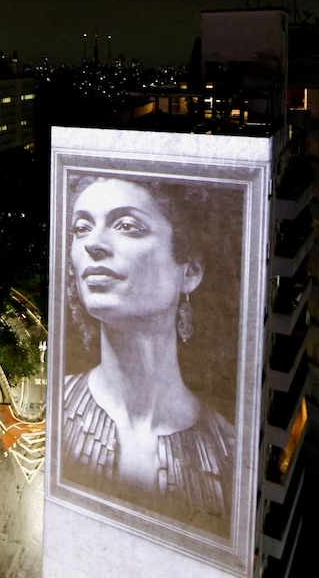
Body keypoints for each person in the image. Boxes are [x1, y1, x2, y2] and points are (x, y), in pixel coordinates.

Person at [59, 175, 236, 535]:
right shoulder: (52, 410)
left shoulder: (232, 454)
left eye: (127, 226)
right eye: (81, 228)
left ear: (191, 270)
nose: (93, 243)